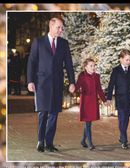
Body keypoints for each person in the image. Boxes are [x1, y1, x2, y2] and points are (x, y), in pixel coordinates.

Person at [27, 16, 75, 153]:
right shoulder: (39, 42)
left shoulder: (64, 43)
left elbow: (69, 65)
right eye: (58, 27)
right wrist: (30, 81)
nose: (61, 30)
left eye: (62, 28)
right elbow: (32, 62)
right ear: (51, 26)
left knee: (54, 114)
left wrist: (72, 82)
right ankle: (40, 141)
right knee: (43, 113)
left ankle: (49, 143)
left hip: (57, 84)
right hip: (41, 84)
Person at [107, 49, 130, 149]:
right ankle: (124, 140)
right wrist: (109, 98)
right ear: (121, 59)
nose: (128, 62)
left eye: (129, 60)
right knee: (122, 119)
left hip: (129, 99)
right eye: (127, 60)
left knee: (126, 119)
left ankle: (122, 135)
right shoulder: (116, 71)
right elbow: (111, 85)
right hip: (120, 99)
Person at [75, 58, 106, 150]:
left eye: (94, 65)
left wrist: (104, 100)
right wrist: (73, 89)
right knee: (87, 122)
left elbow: (99, 89)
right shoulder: (82, 76)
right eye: (91, 66)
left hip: (93, 102)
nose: (93, 67)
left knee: (88, 122)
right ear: (85, 67)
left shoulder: (96, 76)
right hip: (85, 102)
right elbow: (77, 86)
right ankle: (90, 143)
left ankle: (83, 141)